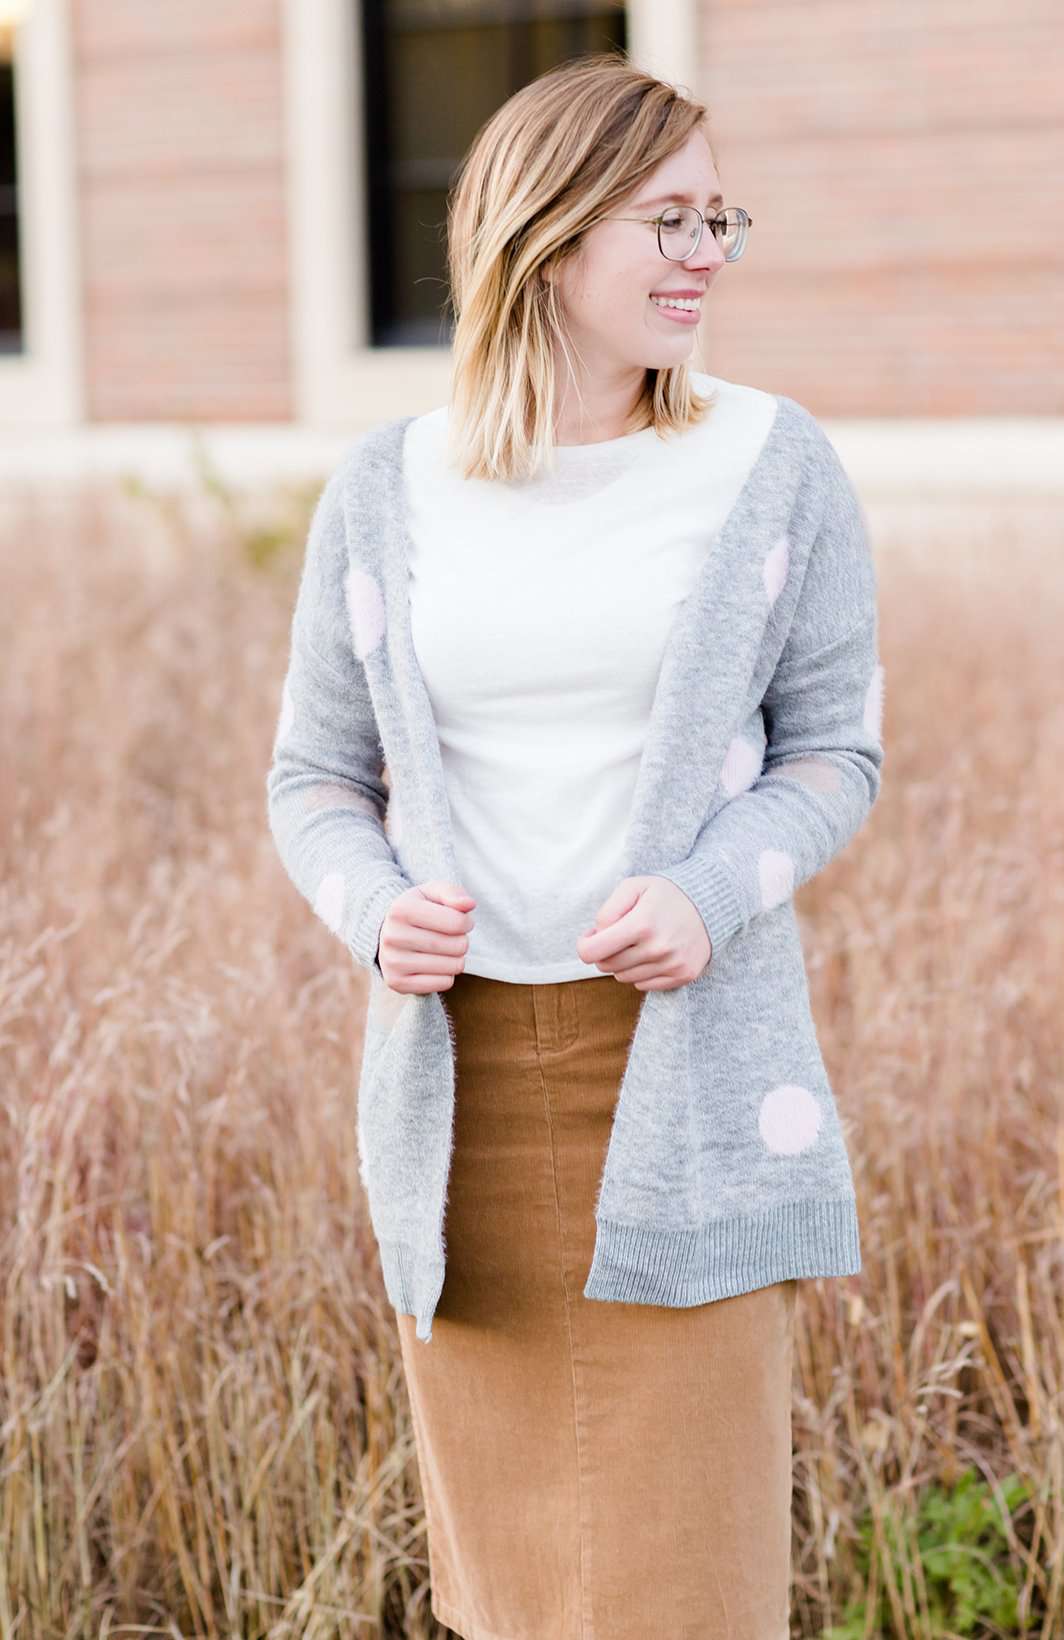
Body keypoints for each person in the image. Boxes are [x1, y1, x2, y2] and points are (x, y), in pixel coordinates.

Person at [266, 49, 885, 1640]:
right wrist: (376, 907)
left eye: (717, 219)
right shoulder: (388, 489)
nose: (705, 256)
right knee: (513, 1589)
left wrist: (704, 893)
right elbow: (314, 779)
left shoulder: (768, 460)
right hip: (461, 1104)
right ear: (547, 233)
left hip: (681, 1090)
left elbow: (835, 755)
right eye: (667, 219)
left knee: (690, 1579)